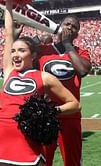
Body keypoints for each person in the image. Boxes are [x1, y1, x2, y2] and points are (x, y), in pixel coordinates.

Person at [0, 0, 80, 165]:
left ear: (33, 55)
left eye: (22, 50)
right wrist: (9, 5)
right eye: (13, 51)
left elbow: (74, 104)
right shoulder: (9, 71)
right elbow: (8, 34)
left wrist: (50, 112)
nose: (15, 54)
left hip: (28, 144)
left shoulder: (44, 77)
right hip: (2, 143)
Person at [38, 15, 92, 166]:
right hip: (46, 114)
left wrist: (68, 45)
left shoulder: (81, 52)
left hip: (70, 114)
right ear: (59, 27)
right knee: (42, 160)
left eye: (74, 27)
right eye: (67, 24)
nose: (70, 27)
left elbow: (82, 70)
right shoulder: (43, 50)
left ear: (77, 34)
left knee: (72, 160)